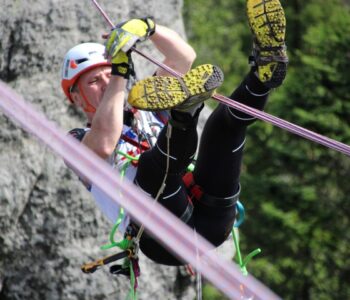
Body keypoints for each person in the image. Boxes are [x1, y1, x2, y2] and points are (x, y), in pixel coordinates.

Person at [62, 0, 288, 266]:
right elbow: (104, 144)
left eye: (108, 75)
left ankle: (263, 73)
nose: (105, 83)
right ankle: (184, 114)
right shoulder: (76, 140)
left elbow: (184, 58)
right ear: (76, 98)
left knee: (221, 126)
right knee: (150, 168)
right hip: (160, 237)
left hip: (209, 216)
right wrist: (120, 71)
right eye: (93, 81)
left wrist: (148, 27)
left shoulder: (145, 104)